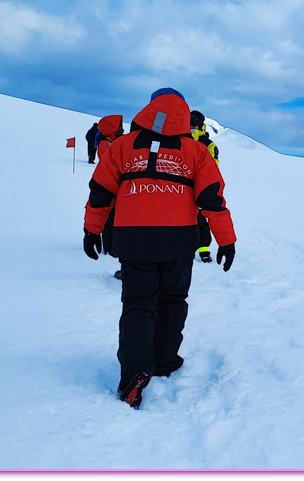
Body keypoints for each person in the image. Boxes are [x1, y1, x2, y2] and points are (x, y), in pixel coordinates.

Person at [82, 88, 237, 409]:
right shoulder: (196, 152)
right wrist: (226, 240)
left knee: (138, 304)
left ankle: (134, 372)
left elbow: (100, 192)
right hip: (179, 240)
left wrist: (91, 230)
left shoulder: (122, 146)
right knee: (173, 300)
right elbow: (212, 199)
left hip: (132, 239)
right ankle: (164, 360)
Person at [94, 115, 125, 276]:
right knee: (110, 217)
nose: (122, 129)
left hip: (114, 187)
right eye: (119, 127)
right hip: (111, 187)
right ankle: (110, 247)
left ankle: (112, 245)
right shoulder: (107, 144)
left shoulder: (110, 143)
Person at [189, 110, 220, 263]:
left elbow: (213, 168)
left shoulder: (208, 145)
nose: (192, 125)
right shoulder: (178, 140)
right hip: (180, 190)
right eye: (190, 121)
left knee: (201, 221)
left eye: (195, 122)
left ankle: (204, 250)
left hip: (199, 188)